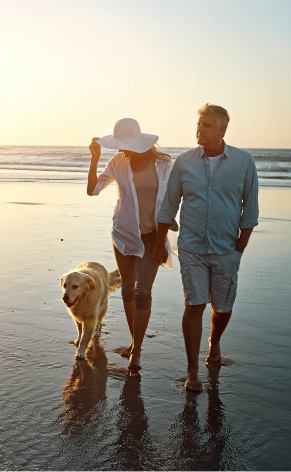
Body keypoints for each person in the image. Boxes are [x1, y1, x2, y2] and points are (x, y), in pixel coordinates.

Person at [153, 104, 259, 391]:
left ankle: (215, 343)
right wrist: (160, 242)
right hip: (191, 247)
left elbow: (249, 212)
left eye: (206, 125)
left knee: (222, 308)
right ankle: (192, 371)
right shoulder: (184, 162)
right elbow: (169, 206)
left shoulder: (244, 162)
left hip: (227, 249)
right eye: (198, 123)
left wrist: (238, 252)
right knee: (194, 304)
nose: (199, 129)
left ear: (222, 129)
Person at [87, 117, 176, 375]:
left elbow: (172, 203)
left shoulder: (164, 165)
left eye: (123, 144)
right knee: (127, 290)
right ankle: (135, 342)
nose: (120, 149)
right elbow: (93, 190)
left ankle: (136, 353)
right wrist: (95, 158)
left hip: (153, 237)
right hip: (124, 235)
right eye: (118, 144)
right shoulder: (118, 162)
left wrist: (162, 242)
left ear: (138, 142)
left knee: (142, 292)